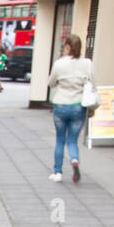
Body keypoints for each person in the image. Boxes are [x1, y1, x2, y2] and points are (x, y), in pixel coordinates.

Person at [47, 33, 94, 183]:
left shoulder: (59, 63)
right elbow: (93, 85)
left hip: (61, 106)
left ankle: (58, 172)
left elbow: (51, 83)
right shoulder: (87, 63)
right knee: (72, 140)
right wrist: (92, 109)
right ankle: (74, 159)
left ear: (67, 47)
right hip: (78, 107)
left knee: (60, 140)